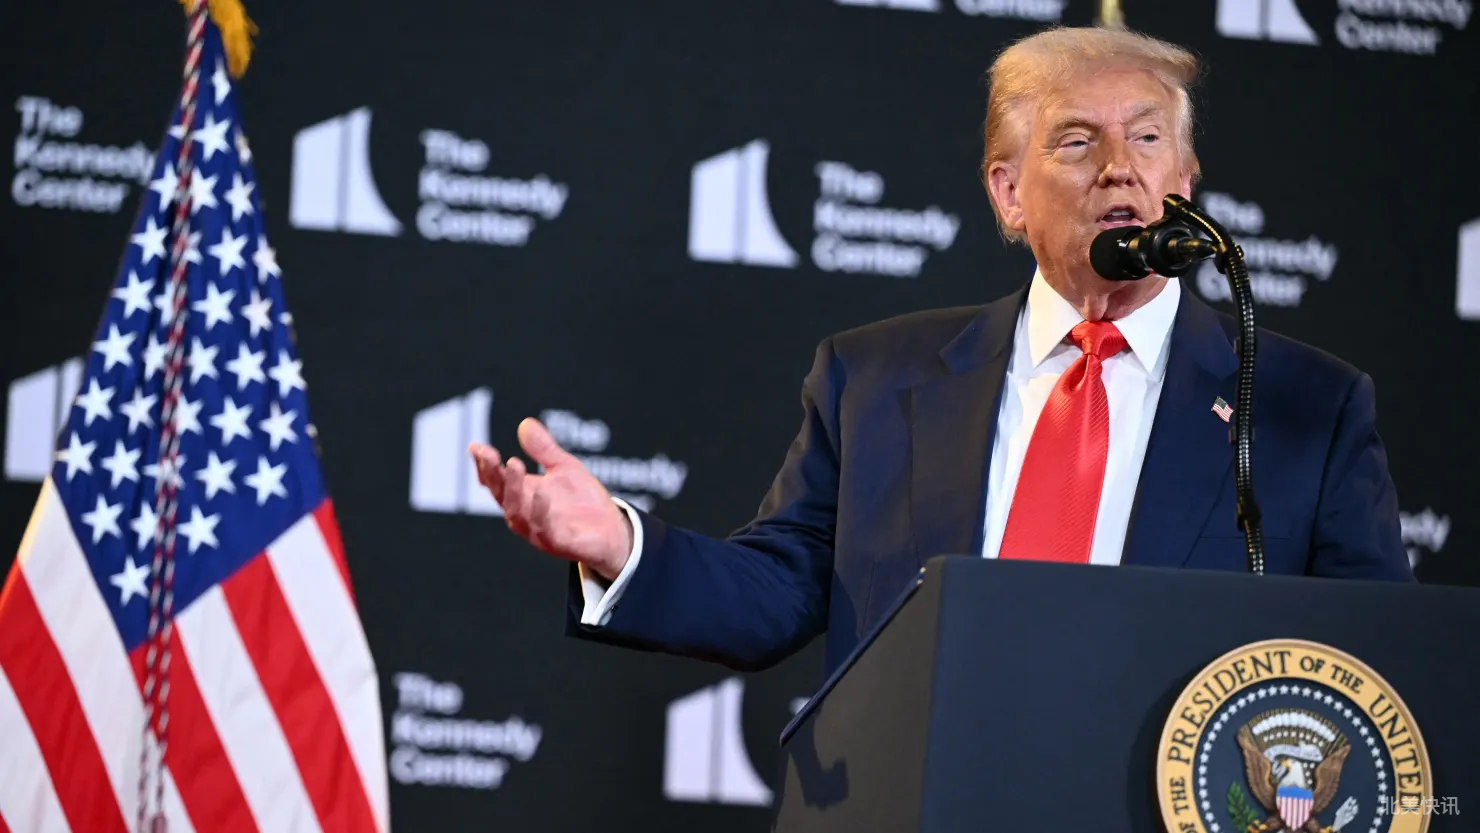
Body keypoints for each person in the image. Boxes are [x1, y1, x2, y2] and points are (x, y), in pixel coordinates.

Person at [467, 25, 1414, 680]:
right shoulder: (875, 380)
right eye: (1076, 142)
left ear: (1185, 181)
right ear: (1009, 193)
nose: (1119, 167)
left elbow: (1378, 665)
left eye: (1147, 138)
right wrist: (620, 546)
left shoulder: (1304, 406)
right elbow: (775, 593)